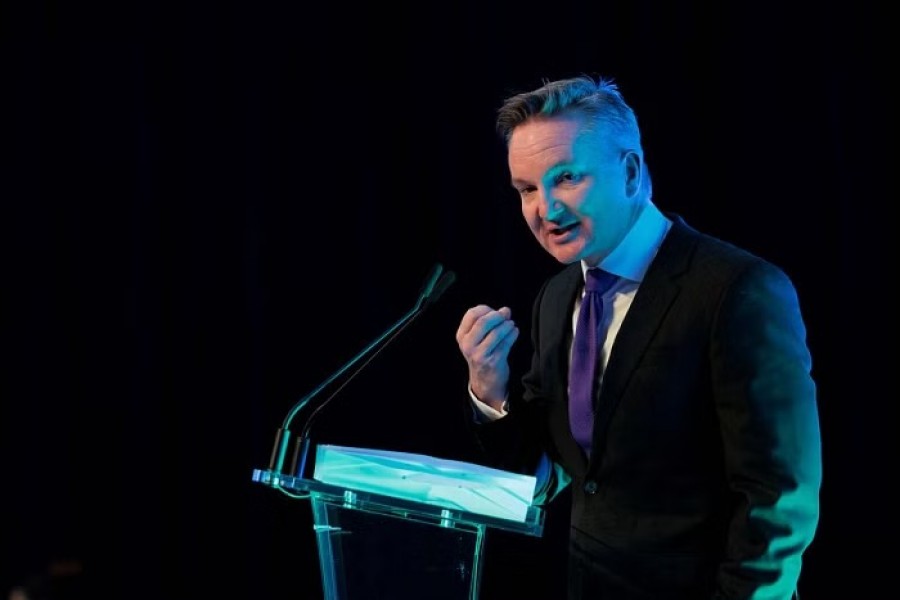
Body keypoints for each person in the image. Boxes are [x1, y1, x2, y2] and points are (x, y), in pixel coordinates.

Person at [454, 74, 821, 600]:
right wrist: (490, 390)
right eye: (527, 190)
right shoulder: (556, 298)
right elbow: (547, 473)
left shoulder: (737, 290)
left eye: (568, 178)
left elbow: (778, 500)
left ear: (629, 171)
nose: (546, 209)